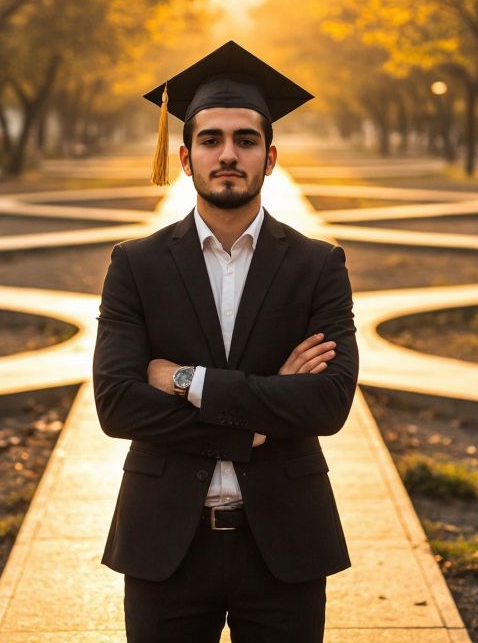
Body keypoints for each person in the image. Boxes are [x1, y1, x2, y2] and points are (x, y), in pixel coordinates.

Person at [93, 41, 359, 642]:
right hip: (164, 542)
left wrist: (188, 381)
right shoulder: (137, 265)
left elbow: (329, 402)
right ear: (185, 158)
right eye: (211, 140)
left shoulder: (318, 265)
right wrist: (261, 419)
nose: (228, 154)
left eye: (245, 140)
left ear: (271, 156)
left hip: (286, 543)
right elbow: (117, 404)